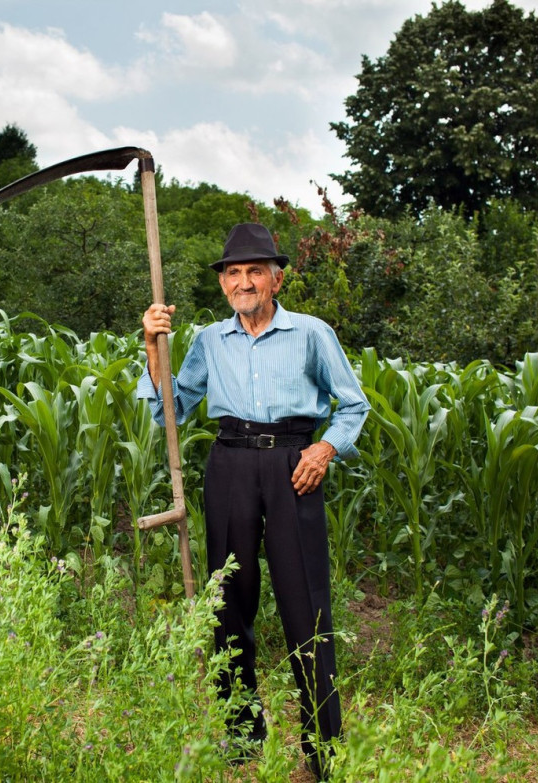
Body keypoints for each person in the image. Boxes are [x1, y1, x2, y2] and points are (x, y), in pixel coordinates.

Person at [137, 222, 369, 780]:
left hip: (295, 467)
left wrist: (324, 450)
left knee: (304, 604)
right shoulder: (208, 342)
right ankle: (243, 737)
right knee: (228, 604)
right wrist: (151, 346)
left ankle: (321, 750)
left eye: (255, 271)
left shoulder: (312, 333)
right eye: (234, 273)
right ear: (223, 284)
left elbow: (353, 405)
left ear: (276, 278)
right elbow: (168, 408)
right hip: (231, 464)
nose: (244, 282)